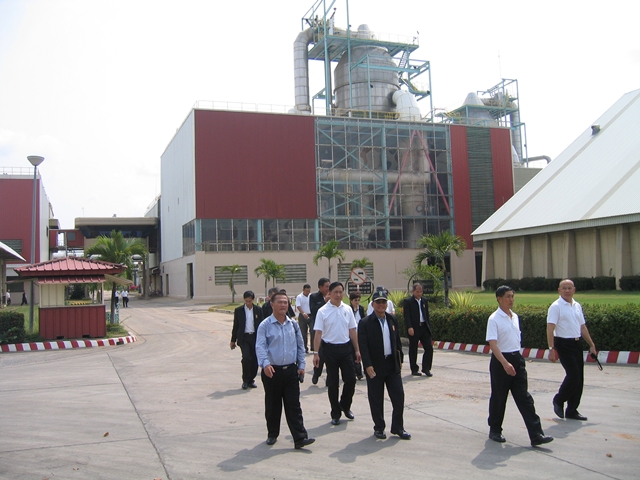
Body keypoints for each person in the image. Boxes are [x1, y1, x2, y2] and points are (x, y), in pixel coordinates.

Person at [486, 285, 553, 446]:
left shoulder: (515, 317)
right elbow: (493, 345)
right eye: (507, 297)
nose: (511, 300)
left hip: (517, 358)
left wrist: (515, 361)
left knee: (524, 398)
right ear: (499, 299)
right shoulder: (494, 319)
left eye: (512, 296)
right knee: (499, 397)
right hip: (501, 361)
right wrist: (505, 363)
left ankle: (536, 435)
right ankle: (495, 430)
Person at [255, 290, 315, 449]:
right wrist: (265, 364)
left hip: (291, 371)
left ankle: (300, 438)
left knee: (293, 405)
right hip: (272, 371)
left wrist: (301, 365)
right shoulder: (265, 325)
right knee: (273, 405)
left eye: (285, 302)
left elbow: (300, 345)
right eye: (279, 302)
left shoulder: (293, 325)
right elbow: (260, 346)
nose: (283, 305)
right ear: (272, 304)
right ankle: (272, 433)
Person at [358, 290, 410, 440]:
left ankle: (398, 427)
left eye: (383, 302)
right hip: (375, 366)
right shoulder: (365, 323)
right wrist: (367, 365)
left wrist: (400, 360)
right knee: (376, 398)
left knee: (398, 396)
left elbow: (397, 342)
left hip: (391, 365)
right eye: (378, 302)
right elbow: (363, 346)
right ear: (373, 304)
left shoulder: (392, 319)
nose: (381, 305)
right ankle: (379, 427)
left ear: (387, 304)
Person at [547, 279, 597, 421]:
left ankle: (572, 410)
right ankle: (559, 399)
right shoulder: (556, 307)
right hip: (563, 344)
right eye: (564, 288)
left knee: (579, 378)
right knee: (573, 375)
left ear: (574, 290)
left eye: (569, 288)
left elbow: (582, 327)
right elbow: (550, 328)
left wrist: (591, 345)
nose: (567, 291)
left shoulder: (576, 306)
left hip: (576, 343)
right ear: (559, 290)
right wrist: (551, 348)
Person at [313, 281, 360, 425]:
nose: (338, 295)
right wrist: (316, 353)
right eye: (335, 292)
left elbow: (352, 330)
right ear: (329, 293)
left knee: (351, 379)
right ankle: (335, 413)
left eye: (340, 292)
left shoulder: (348, 309)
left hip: (346, 349)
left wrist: (357, 350)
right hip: (329, 350)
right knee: (333, 383)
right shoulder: (323, 311)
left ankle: (345, 405)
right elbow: (318, 333)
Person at [230, 291, 264, 390]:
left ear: (253, 300)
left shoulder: (258, 310)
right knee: (246, 358)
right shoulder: (239, 310)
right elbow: (236, 326)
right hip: (244, 338)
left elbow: (262, 326)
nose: (248, 303)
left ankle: (251, 380)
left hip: (255, 338)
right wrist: (233, 340)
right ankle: (245, 380)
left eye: (249, 301)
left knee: (254, 359)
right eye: (246, 301)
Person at [403, 283, 433, 377]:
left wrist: (428, 326)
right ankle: (414, 369)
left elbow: (426, 315)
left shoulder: (424, 301)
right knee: (413, 349)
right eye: (417, 291)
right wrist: (409, 327)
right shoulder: (408, 301)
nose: (419, 293)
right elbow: (406, 315)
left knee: (429, 348)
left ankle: (426, 368)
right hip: (414, 328)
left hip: (424, 327)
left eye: (421, 291)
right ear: (413, 291)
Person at [310, 278, 330, 385]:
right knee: (320, 354)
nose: (328, 289)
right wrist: (324, 301)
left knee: (330, 356)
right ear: (320, 287)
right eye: (326, 286)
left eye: (329, 286)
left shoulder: (332, 296)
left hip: (329, 329)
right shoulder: (313, 297)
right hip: (318, 329)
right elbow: (313, 310)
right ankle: (316, 373)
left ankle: (330, 378)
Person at [349, 292, 365, 380]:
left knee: (359, 353)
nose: (357, 302)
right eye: (355, 300)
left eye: (358, 300)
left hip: (360, 334)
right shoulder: (348, 309)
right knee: (352, 353)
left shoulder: (361, 309)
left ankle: (359, 372)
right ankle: (354, 371)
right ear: (351, 300)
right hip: (351, 335)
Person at [295, 284, 312, 353]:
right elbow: (298, 306)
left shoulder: (311, 296)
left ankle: (313, 347)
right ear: (303, 290)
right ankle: (304, 348)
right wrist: (303, 313)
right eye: (306, 291)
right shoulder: (299, 297)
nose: (307, 292)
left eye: (309, 291)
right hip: (302, 316)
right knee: (303, 333)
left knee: (313, 331)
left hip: (311, 315)